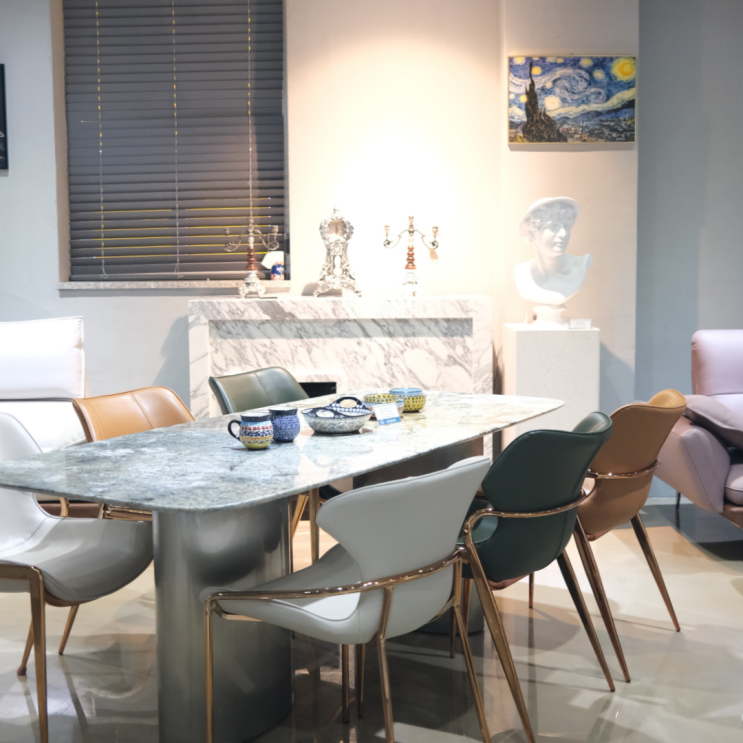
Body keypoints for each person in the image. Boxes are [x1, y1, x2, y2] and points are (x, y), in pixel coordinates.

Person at [513, 197, 591, 326]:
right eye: (553, 227)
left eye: (567, 227)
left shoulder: (580, 266)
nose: (563, 234)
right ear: (532, 233)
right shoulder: (521, 272)